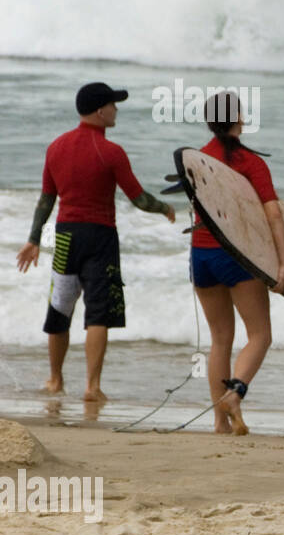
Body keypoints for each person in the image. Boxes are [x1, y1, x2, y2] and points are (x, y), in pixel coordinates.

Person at [15, 83, 175, 401]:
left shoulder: (56, 147)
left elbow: (47, 199)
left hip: (64, 237)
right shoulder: (111, 152)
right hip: (100, 238)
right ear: (100, 111)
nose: (117, 110)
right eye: (114, 105)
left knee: (60, 307)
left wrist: (34, 239)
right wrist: (166, 208)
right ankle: (92, 387)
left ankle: (55, 380)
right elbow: (139, 199)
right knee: (98, 313)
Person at [189, 91, 284, 435]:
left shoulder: (199, 159)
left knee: (219, 340)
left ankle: (219, 423)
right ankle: (236, 392)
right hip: (235, 257)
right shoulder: (250, 163)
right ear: (239, 119)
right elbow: (273, 214)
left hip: (200, 255)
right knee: (260, 335)